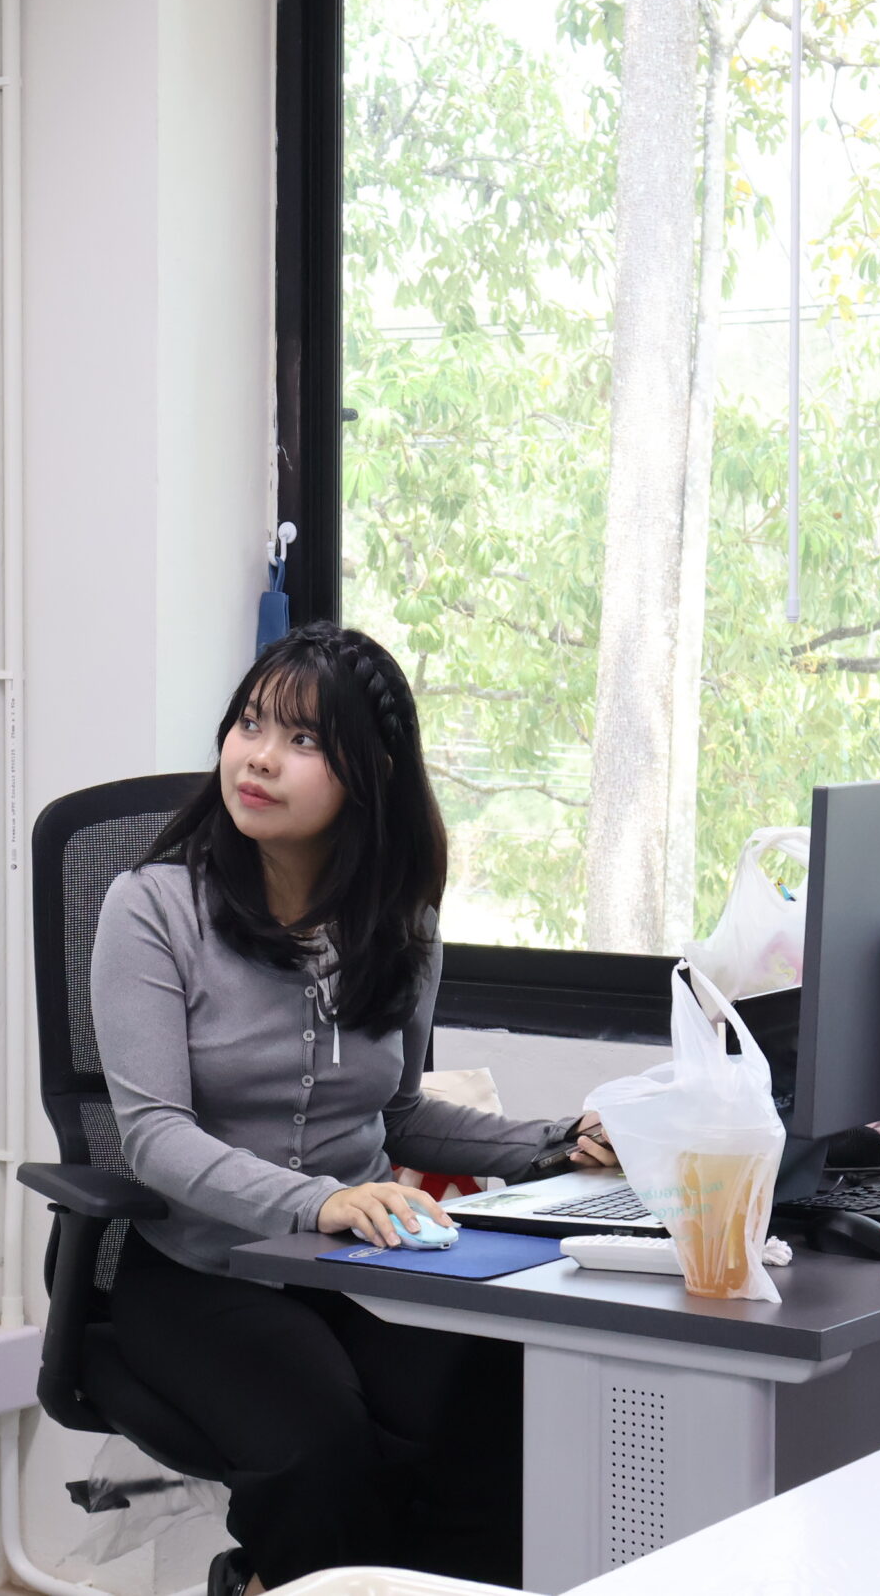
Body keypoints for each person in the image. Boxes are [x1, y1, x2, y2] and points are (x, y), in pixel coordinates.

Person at [91, 622, 611, 1595]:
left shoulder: (400, 922)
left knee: (495, 1397)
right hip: (201, 1271)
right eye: (250, 724)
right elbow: (153, 1136)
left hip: (357, 1264)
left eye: (303, 740)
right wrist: (321, 1200)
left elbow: (400, 1114)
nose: (258, 757)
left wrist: (557, 1143)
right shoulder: (153, 908)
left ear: (371, 774)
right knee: (319, 1444)